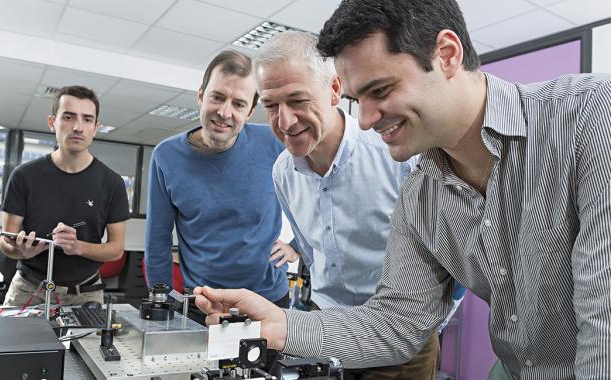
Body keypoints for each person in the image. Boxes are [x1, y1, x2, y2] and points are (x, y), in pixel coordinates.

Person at [194, 0, 611, 379]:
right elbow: (397, 323)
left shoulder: (589, 118)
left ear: (446, 54)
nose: (366, 120)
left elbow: (603, 326)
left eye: (380, 91)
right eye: (360, 99)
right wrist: (281, 326)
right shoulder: (420, 194)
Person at [255, 31, 439, 379]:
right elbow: (309, 250)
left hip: (396, 339)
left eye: (298, 100)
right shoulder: (283, 171)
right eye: (271, 106)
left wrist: (431, 321)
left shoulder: (395, 156)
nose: (284, 121)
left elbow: (442, 254)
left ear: (335, 90)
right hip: (323, 330)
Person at [145, 51, 289, 315]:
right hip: (204, 303)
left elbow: (321, 190)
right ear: (201, 95)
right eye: (218, 97)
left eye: (238, 104)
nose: (225, 112)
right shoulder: (166, 156)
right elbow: (157, 239)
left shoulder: (275, 143)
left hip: (268, 300)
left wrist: (299, 245)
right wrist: (160, 300)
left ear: (250, 111)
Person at [0, 85, 129, 307]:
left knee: (89, 344)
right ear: (53, 122)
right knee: (14, 343)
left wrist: (78, 247)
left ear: (96, 127)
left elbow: (116, 249)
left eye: (87, 119)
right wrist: (19, 250)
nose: (78, 127)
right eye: (69, 117)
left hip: (85, 294)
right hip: (29, 289)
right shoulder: (24, 176)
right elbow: (5, 241)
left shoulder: (112, 183)